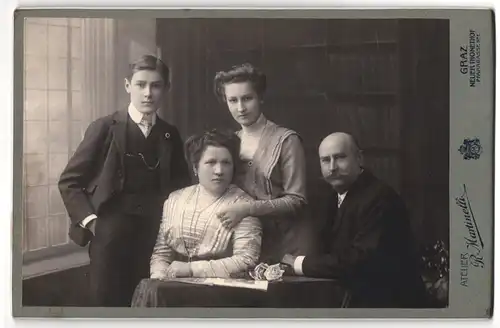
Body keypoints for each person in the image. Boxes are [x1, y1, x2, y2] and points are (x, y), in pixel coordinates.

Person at [58, 55, 191, 307]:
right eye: (141, 85)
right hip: (109, 237)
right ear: (127, 85)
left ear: (167, 89)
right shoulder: (105, 127)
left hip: (154, 238)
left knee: (148, 304)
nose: (148, 93)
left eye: (156, 85)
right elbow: (69, 181)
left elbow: (181, 189)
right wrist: (92, 222)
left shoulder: (169, 133)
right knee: (107, 304)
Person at [281, 132, 428, 308]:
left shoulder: (381, 198)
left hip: (393, 307)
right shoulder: (331, 197)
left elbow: (360, 260)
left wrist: (300, 263)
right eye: (325, 160)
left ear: (359, 158)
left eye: (340, 157)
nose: (332, 167)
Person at [212, 63, 308, 263]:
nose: (240, 108)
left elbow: (297, 200)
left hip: (283, 245)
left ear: (260, 97)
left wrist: (247, 209)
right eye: (233, 100)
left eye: (247, 98)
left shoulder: (287, 140)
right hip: (242, 245)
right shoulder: (229, 143)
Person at [149, 129, 262, 279]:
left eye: (226, 163)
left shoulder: (243, 205)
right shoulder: (175, 199)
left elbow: (246, 260)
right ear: (196, 167)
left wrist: (191, 269)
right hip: (173, 285)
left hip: (220, 290)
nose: (219, 171)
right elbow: (161, 253)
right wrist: (159, 276)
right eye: (211, 162)